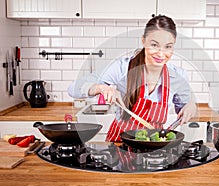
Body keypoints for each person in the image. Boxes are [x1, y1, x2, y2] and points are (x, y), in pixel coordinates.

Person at [68, 15, 196, 142]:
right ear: (143, 41)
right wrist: (100, 88)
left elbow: (185, 106)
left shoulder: (177, 76)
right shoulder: (121, 68)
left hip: (154, 147)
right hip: (119, 145)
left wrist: (190, 106)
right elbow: (73, 89)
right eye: (154, 45)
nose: (161, 53)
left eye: (168, 46)